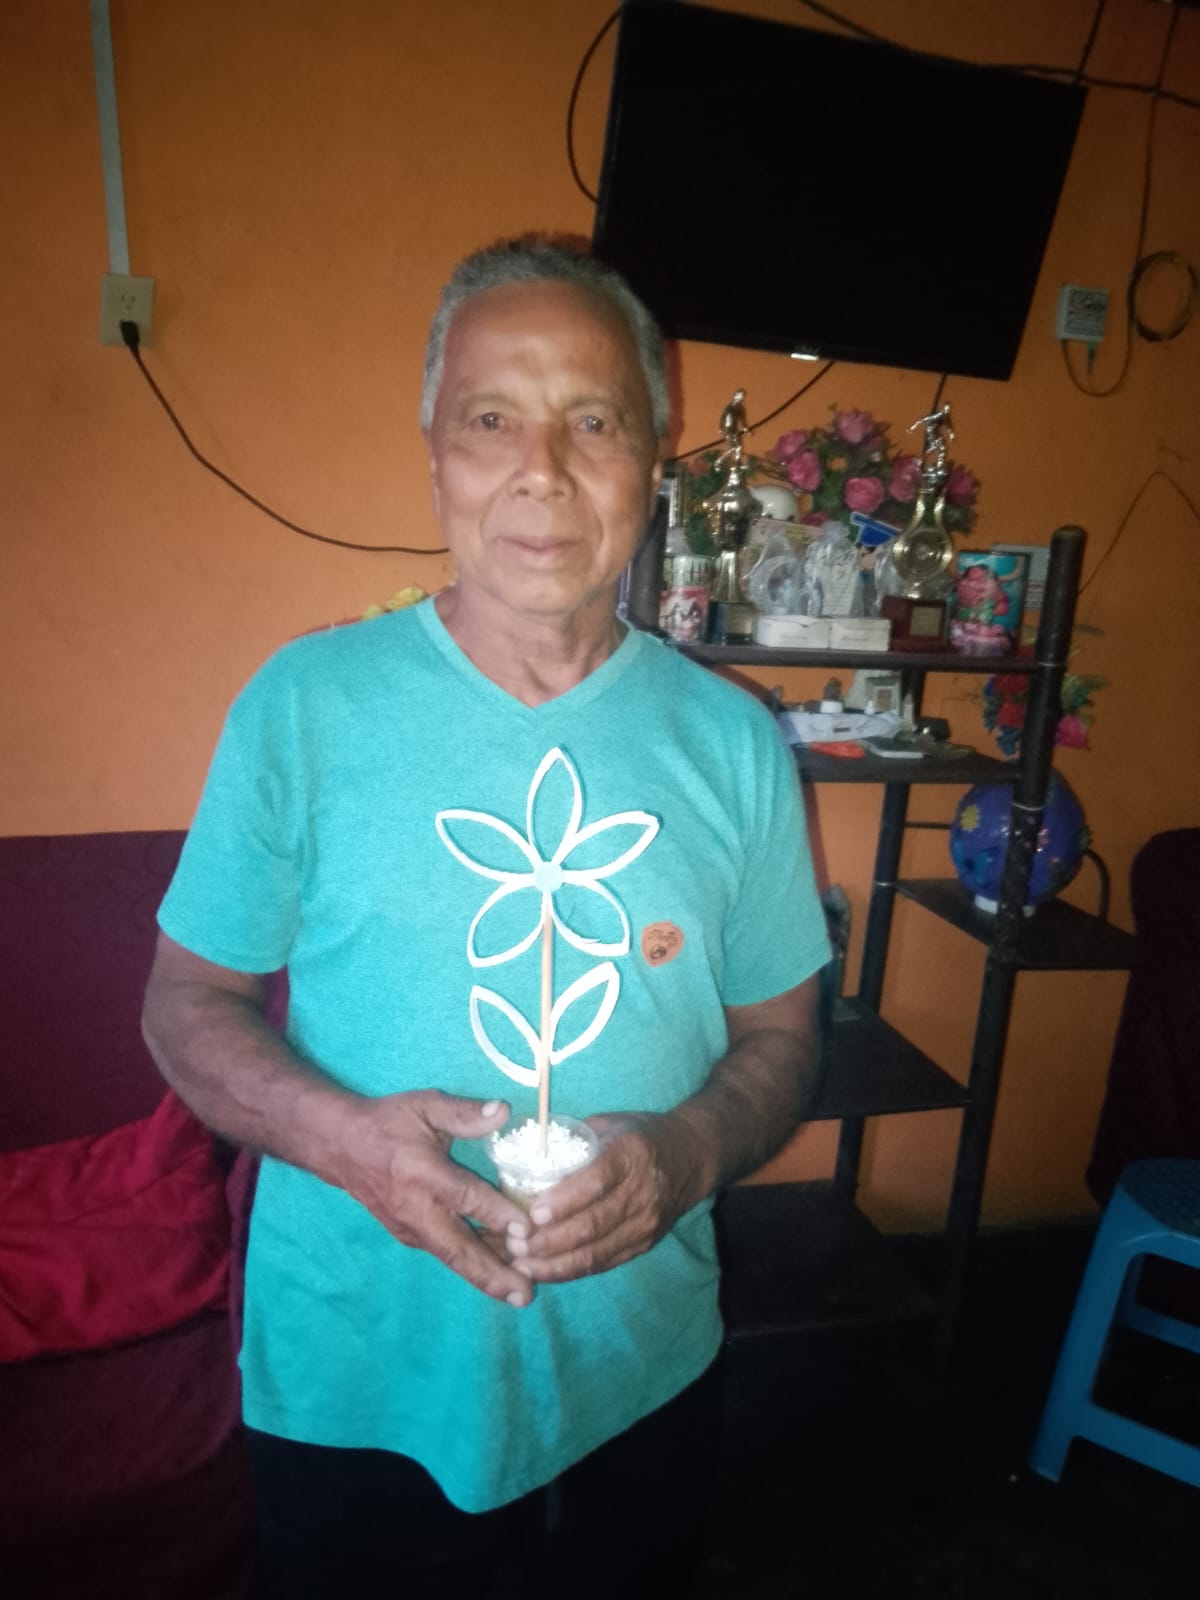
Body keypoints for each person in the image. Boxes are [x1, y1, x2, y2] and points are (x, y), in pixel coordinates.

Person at [142, 235, 831, 1598]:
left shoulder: (735, 743)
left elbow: (786, 1039)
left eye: (594, 422)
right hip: (358, 1382)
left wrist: (685, 1154)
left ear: (654, 457)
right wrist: (349, 1148)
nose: (543, 471)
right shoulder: (302, 706)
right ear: (435, 458)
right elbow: (183, 1005)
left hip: (644, 1371)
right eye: (492, 420)